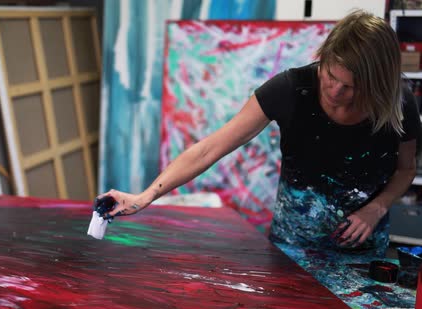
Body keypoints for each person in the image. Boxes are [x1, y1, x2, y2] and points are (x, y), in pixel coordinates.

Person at [98, 10, 421, 257]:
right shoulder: (291, 90)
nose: (335, 90)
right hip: (292, 248)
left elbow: (405, 170)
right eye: (329, 75)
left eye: (349, 86)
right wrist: (145, 196)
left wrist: (376, 208)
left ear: (376, 83)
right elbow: (209, 149)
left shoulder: (397, 104)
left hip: (362, 251)